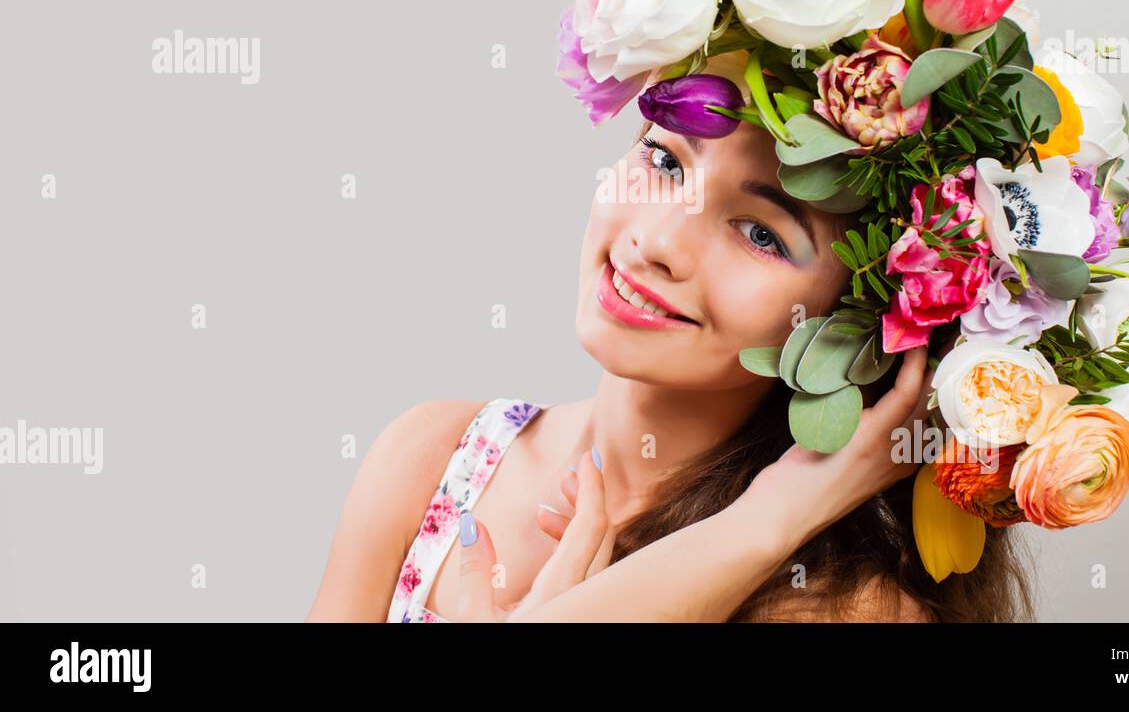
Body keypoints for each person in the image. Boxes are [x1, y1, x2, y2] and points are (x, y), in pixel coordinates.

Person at [306, 113, 1035, 622]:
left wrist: (767, 524)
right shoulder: (437, 455)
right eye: (665, 160)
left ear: (866, 324)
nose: (656, 241)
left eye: (760, 233)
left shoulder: (839, 605)